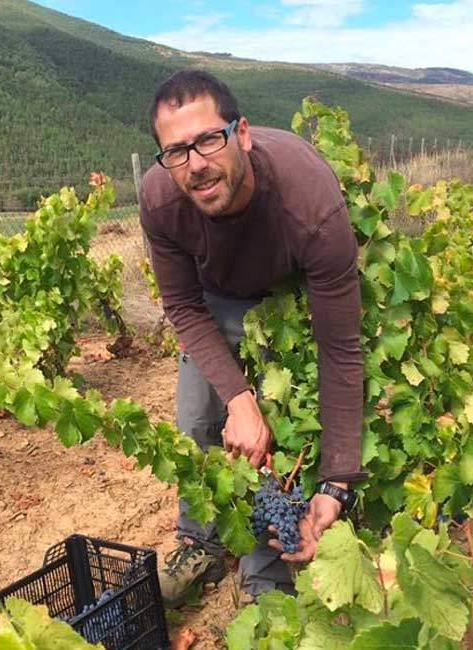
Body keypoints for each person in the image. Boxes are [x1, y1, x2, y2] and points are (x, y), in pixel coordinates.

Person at [139, 70, 365, 608]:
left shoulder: (311, 205)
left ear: (241, 133)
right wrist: (238, 399)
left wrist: (337, 481)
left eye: (207, 140)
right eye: (176, 151)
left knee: (275, 425)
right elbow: (183, 307)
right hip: (213, 297)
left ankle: (267, 575)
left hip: (291, 295)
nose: (194, 164)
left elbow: (338, 348)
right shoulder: (161, 199)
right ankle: (200, 541)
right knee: (198, 420)